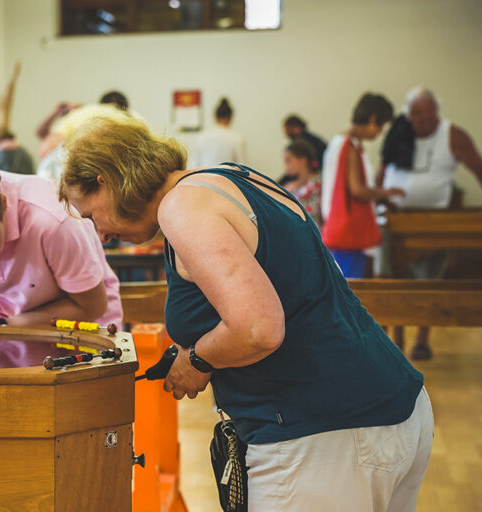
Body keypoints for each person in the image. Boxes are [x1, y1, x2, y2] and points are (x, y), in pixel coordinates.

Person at [59, 115, 431, 511]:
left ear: (107, 180)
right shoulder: (230, 177)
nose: (98, 233)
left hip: (324, 435)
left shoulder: (181, 207)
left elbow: (257, 329)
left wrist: (197, 360)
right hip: (391, 407)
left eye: (90, 215)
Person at [0, 154, 122, 329]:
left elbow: (91, 306)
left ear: (3, 205)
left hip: (85, 330)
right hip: (10, 329)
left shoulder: (54, 222)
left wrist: (8, 324)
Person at [377, 87, 482, 360]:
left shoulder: (453, 134)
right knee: (394, 283)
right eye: (417, 115)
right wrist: (377, 202)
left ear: (437, 111)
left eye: (428, 115)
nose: (424, 121)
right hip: (397, 221)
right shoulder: (399, 132)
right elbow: (382, 170)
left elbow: (478, 168)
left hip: (433, 221)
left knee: (429, 282)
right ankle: (395, 342)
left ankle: (422, 339)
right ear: (409, 114)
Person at [321, 93, 405, 278]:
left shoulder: (337, 142)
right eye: (381, 126)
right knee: (350, 285)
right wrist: (386, 192)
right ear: (373, 120)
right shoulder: (350, 146)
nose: (380, 132)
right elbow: (357, 189)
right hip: (349, 229)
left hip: (335, 222)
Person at [189, 97, 246, 168]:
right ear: (230, 118)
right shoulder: (237, 139)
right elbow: (242, 168)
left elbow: (193, 166)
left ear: (215, 117)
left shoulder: (200, 138)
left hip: (202, 178)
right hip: (227, 178)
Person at [283, 140, 323, 226]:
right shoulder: (291, 185)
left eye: (289, 160)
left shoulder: (317, 184)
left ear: (302, 160)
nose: (286, 167)